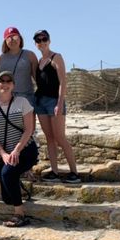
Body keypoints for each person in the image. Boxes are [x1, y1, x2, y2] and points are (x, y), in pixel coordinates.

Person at [0, 71, 38, 227]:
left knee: (8, 173)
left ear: (13, 85)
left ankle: (19, 214)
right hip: (6, 153)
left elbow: (29, 129)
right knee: (6, 191)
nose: (5, 84)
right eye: (2, 81)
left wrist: (16, 151)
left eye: (9, 81)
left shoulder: (22, 102)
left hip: (26, 150)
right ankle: (15, 192)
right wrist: (3, 154)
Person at [33, 30, 81, 183]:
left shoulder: (56, 57)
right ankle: (54, 171)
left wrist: (60, 103)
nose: (42, 42)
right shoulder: (39, 62)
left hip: (54, 101)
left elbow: (62, 82)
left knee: (60, 137)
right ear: (36, 43)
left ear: (49, 40)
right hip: (40, 102)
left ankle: (74, 172)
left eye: (44, 38)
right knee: (49, 138)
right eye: (38, 40)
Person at [0, 27, 38, 107]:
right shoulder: (0, 58)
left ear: (20, 39)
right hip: (6, 97)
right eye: (9, 38)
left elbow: (37, 78)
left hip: (26, 96)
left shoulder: (30, 55)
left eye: (15, 37)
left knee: (28, 120)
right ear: (5, 41)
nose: (12, 40)